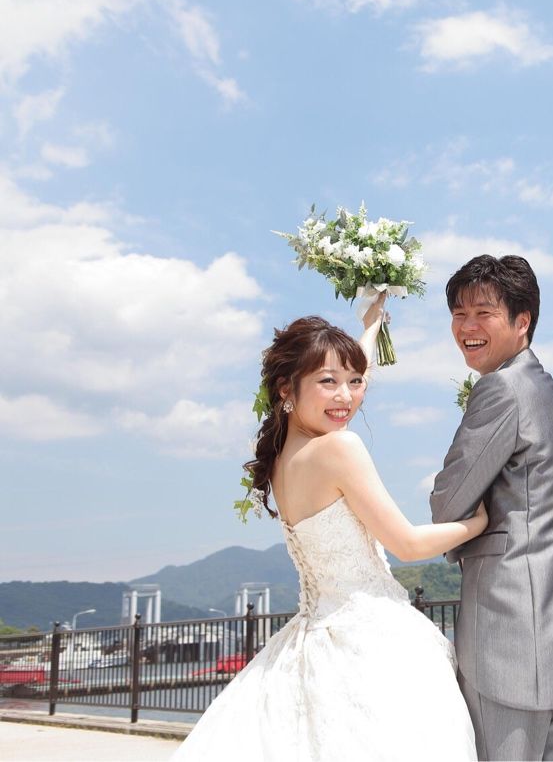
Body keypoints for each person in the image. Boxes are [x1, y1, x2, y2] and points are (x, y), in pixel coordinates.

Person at [174, 309, 483, 761]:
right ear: (287, 389)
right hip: (372, 639)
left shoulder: (282, 459)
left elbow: (345, 377)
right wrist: (480, 521)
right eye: (328, 382)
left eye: (355, 382)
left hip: (312, 636)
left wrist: (372, 323)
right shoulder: (339, 447)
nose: (346, 396)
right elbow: (408, 544)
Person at [430, 255, 553, 761]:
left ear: (521, 321)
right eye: (459, 314)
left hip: (508, 631)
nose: (467, 327)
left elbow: (446, 503)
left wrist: (474, 519)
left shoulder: (501, 389)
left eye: (483, 313)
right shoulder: (549, 392)